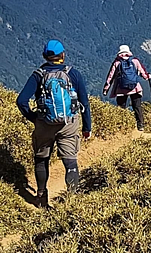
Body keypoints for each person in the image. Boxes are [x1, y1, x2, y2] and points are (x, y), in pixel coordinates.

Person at [16, 40, 92, 208]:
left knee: (41, 159)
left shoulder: (38, 75)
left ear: (45, 56)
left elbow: (21, 101)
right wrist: (87, 127)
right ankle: (72, 201)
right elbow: (84, 103)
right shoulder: (73, 74)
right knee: (70, 162)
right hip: (68, 124)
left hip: (44, 125)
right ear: (63, 55)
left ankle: (41, 198)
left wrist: (35, 118)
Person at [102, 45, 151, 132]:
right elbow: (143, 72)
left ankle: (122, 126)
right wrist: (147, 77)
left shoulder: (117, 63)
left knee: (121, 108)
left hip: (121, 89)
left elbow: (110, 76)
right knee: (137, 107)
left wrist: (106, 89)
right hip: (135, 88)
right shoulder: (135, 61)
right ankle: (140, 125)